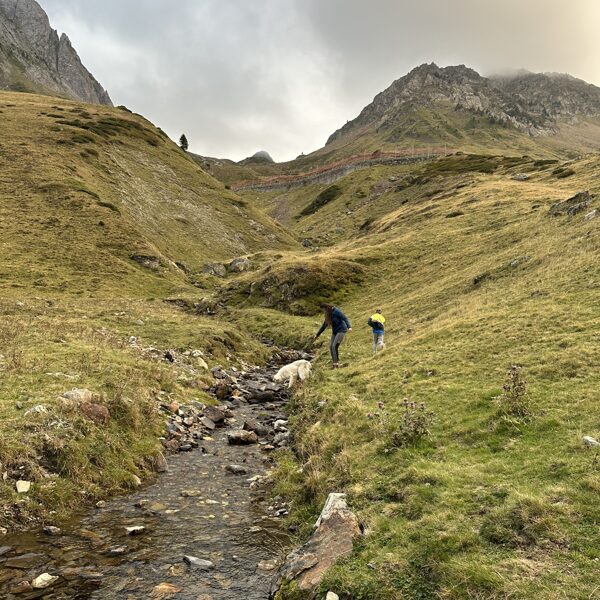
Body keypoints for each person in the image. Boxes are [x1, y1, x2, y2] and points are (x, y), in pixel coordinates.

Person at [314, 303, 352, 368]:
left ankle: (336, 364)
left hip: (341, 330)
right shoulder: (328, 315)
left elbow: (344, 318)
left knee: (334, 346)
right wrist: (317, 335)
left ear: (326, 308)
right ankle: (335, 362)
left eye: (323, 310)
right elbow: (324, 326)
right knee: (331, 346)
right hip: (335, 331)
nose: (323, 311)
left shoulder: (336, 311)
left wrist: (349, 327)